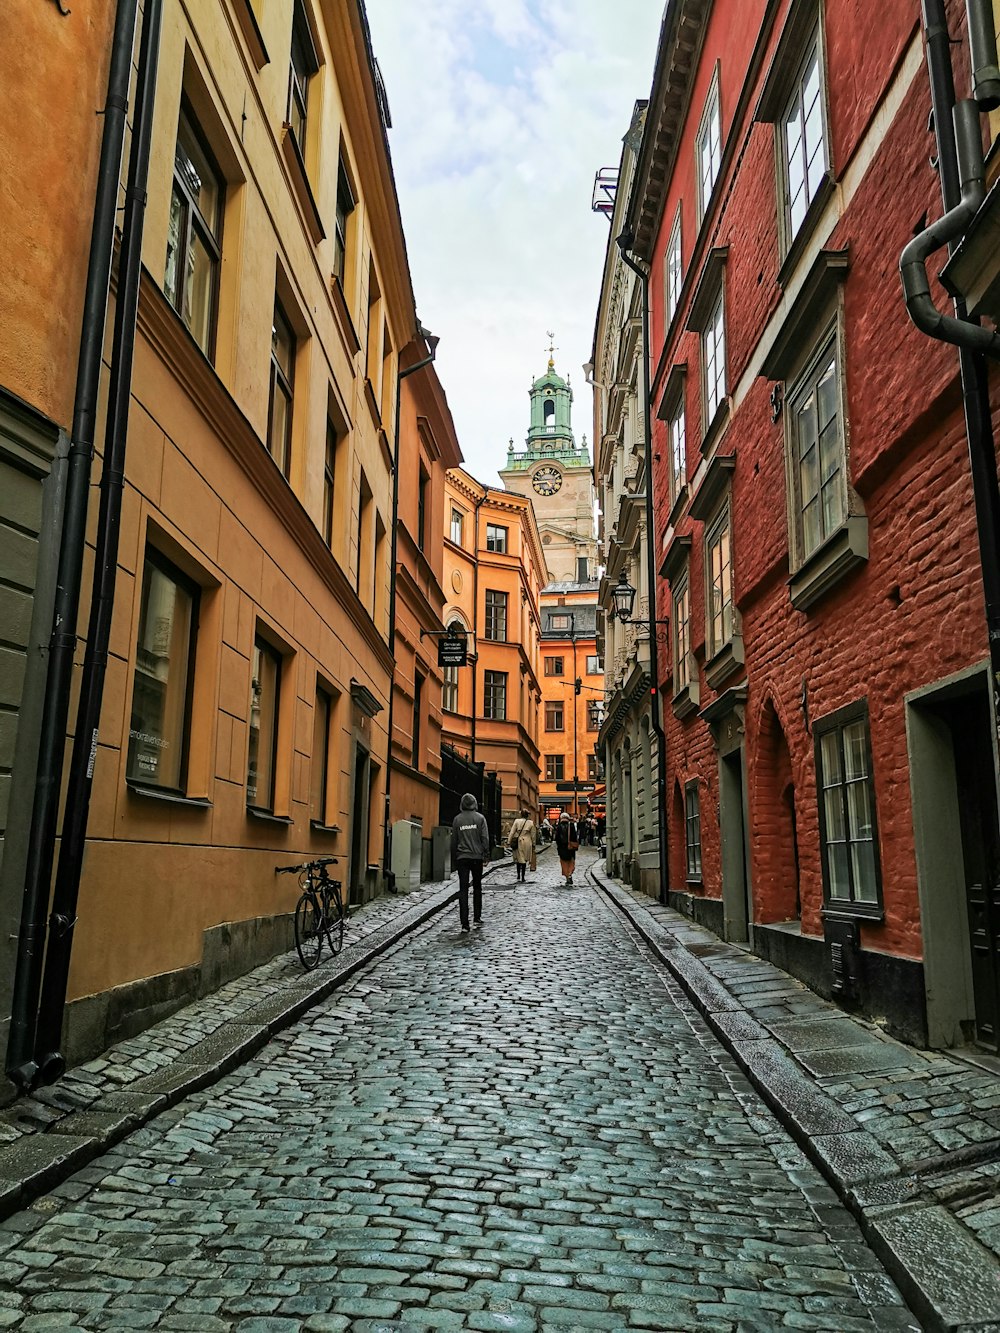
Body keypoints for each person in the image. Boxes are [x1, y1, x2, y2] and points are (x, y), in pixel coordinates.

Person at [451, 792, 491, 932]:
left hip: (462, 857)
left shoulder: (457, 820)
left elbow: (454, 840)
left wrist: (453, 859)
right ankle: (477, 917)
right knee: (477, 887)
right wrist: (486, 854)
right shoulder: (480, 818)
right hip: (476, 857)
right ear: (474, 803)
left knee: (463, 890)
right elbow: (485, 838)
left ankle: (464, 923)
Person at [507, 808, 537, 882]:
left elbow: (512, 832)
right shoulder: (531, 823)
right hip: (527, 841)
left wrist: (509, 841)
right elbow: (533, 834)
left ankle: (518, 875)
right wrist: (533, 844)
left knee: (519, 859)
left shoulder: (517, 821)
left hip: (519, 841)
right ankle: (523, 876)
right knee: (524, 859)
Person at [555, 811, 579, 886]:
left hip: (562, 848)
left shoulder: (559, 826)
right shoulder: (571, 825)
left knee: (564, 862)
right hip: (570, 847)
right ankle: (570, 874)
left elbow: (557, 838)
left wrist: (559, 846)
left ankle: (567, 876)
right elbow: (575, 836)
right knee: (571, 861)